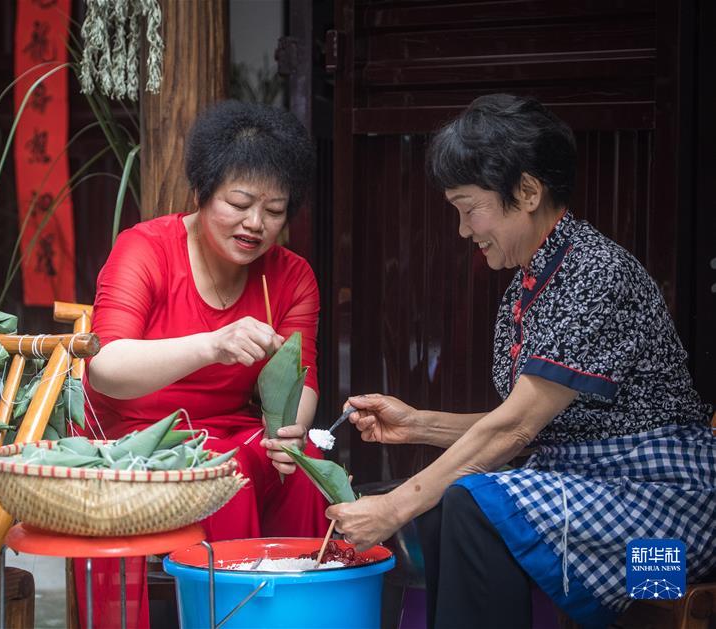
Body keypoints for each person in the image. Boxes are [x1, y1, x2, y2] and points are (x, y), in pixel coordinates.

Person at [327, 94, 716, 629]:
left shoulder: (595, 272)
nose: (464, 230)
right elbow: (536, 429)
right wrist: (415, 424)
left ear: (528, 192)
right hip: (600, 510)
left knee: (474, 504)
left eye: (469, 208)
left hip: (668, 531)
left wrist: (395, 507)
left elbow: (515, 429)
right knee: (450, 504)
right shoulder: (533, 282)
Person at [79, 100, 329, 629]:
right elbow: (105, 367)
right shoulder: (145, 249)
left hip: (228, 430)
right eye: (239, 203)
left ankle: (295, 618)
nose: (255, 223)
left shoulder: (291, 276)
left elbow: (301, 377)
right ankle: (226, 618)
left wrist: (291, 431)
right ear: (202, 191)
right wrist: (212, 345)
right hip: (134, 435)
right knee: (222, 470)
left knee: (302, 466)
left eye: (275, 210)